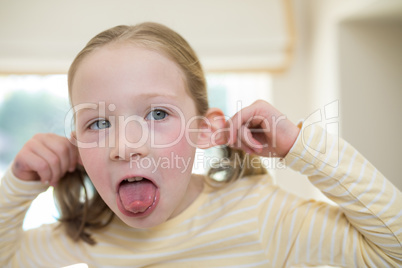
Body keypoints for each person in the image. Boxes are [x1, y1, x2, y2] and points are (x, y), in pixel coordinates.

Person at [0, 22, 401, 268]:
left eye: (157, 115)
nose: (125, 147)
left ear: (205, 130)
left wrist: (300, 147)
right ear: (79, 152)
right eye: (99, 123)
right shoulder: (89, 233)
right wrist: (17, 185)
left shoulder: (261, 215)